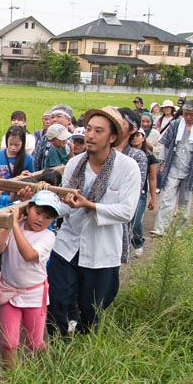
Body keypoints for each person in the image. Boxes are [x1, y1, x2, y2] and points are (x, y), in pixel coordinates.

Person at [37, 107, 141, 336]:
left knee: (91, 308)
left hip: (101, 251)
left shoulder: (127, 168)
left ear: (112, 137)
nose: (90, 135)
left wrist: (89, 205)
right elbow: (64, 205)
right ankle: (58, 345)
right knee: (57, 300)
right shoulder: (75, 164)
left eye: (98, 131)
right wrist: (39, 201)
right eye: (89, 129)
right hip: (68, 244)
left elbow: (126, 211)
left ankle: (83, 346)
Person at [0, 191, 60, 368]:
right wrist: (8, 226)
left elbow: (29, 254)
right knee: (9, 342)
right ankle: (10, 380)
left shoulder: (48, 236)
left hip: (34, 295)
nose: (41, 220)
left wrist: (14, 225)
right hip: (9, 293)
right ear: (28, 208)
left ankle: (50, 367)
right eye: (38, 213)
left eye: (48, 217)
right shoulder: (16, 226)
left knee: (34, 343)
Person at [152, 100, 193, 237]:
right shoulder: (175, 125)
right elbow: (166, 145)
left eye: (191, 115)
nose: (188, 117)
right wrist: (162, 162)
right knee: (167, 198)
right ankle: (161, 228)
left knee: (185, 200)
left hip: (191, 169)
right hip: (173, 166)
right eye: (186, 114)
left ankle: (180, 230)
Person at [116, 107, 149, 264]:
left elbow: (133, 191)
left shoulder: (137, 156)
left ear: (133, 129)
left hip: (118, 218)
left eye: (121, 122)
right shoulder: (100, 149)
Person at [129, 129, 157, 257]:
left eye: (138, 135)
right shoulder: (125, 153)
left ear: (143, 138)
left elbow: (152, 178)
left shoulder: (150, 157)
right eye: (132, 136)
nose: (135, 138)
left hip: (141, 192)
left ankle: (138, 242)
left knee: (136, 221)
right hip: (126, 190)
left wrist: (153, 198)